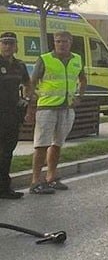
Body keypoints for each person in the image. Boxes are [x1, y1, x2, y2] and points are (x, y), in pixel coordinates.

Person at [28, 31, 86, 194]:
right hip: (46, 107)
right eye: (58, 41)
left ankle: (51, 177)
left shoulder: (77, 59)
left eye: (64, 41)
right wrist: (32, 103)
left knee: (57, 144)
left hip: (66, 108)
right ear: (54, 42)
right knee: (41, 145)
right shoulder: (45, 59)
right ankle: (35, 181)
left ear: (70, 42)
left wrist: (80, 96)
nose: (61, 44)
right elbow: (32, 82)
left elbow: (83, 79)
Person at [0, 32, 30, 199]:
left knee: (7, 152)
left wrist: (26, 99)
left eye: (10, 44)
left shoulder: (20, 65)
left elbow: (27, 83)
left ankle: (4, 188)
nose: (7, 46)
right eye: (4, 43)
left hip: (12, 115)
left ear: (16, 46)